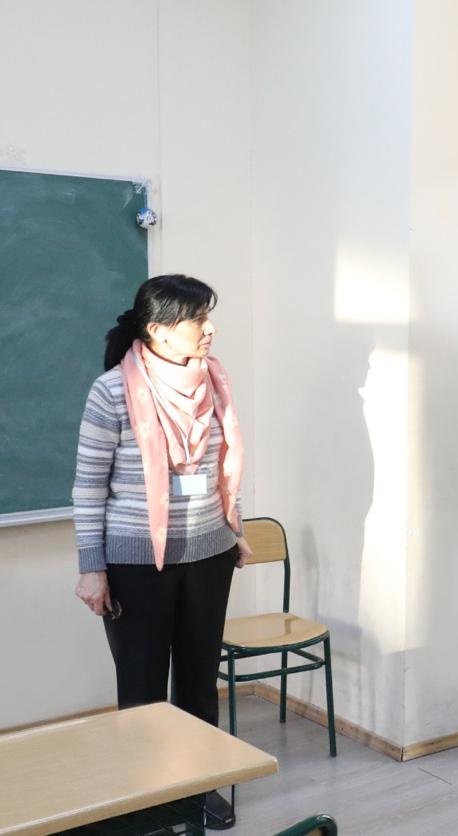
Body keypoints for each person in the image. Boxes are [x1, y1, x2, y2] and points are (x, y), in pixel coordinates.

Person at [72, 274, 250, 830]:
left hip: (210, 554)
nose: (209, 329)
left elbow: (222, 470)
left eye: (208, 316)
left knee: (199, 681)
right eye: (198, 319)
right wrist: (91, 568)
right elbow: (87, 487)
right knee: (143, 688)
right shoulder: (111, 391)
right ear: (158, 330)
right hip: (135, 563)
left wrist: (234, 527)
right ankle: (146, 798)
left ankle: (198, 788)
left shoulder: (215, 380)